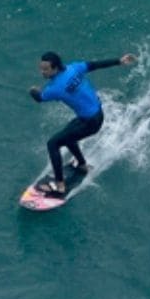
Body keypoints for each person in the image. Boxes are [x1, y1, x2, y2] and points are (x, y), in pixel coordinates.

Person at [29, 50, 137, 196]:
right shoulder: (74, 68)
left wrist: (33, 91)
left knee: (53, 144)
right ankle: (82, 165)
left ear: (55, 68)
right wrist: (119, 61)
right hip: (97, 115)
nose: (42, 72)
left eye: (45, 69)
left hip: (89, 123)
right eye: (41, 68)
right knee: (68, 136)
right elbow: (94, 65)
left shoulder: (55, 89)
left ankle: (60, 185)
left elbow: (40, 98)